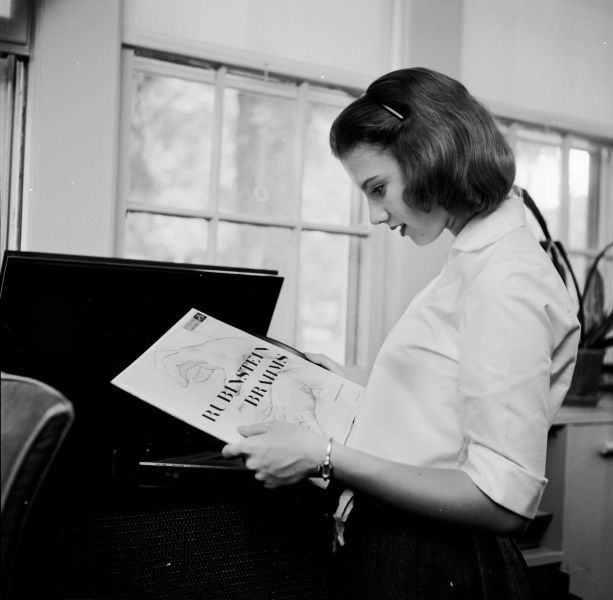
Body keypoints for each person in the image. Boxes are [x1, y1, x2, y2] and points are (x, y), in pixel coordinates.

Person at [222, 67, 580, 599]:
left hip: (439, 564)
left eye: (378, 188)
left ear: (429, 156)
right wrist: (338, 378)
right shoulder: (472, 260)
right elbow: (441, 405)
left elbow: (502, 501)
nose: (373, 214)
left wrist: (322, 455)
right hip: (404, 549)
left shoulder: (506, 279)